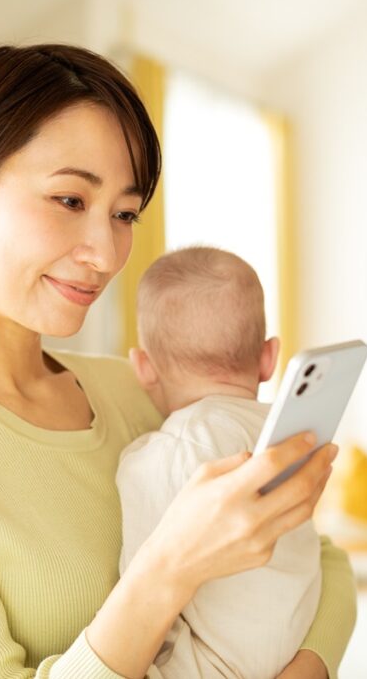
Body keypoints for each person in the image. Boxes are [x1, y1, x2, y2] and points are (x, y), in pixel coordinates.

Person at [0, 43, 356, 679]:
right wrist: (172, 563)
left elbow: (316, 558)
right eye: (71, 201)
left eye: (124, 214)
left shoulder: (140, 388)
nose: (106, 254)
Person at [117, 246, 324, 679]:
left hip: (213, 666)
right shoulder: (288, 435)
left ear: (144, 368)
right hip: (292, 645)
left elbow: (141, 587)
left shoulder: (166, 452)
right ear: (269, 358)